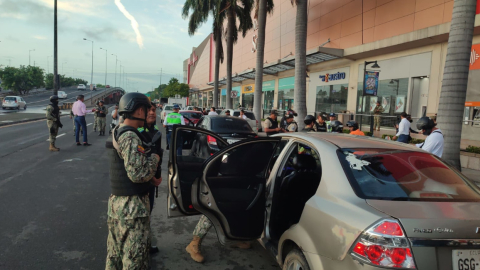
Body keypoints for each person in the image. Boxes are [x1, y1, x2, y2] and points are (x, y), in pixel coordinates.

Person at [106, 93, 162, 269]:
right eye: (147, 110)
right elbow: (138, 174)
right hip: (132, 209)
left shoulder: (119, 129)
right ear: (139, 110)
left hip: (120, 205)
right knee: (134, 261)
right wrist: (155, 159)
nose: (149, 113)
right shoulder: (130, 136)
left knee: (115, 256)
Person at [137, 102, 163, 254]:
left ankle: (145, 244)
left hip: (152, 179)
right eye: (149, 111)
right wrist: (152, 178)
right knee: (141, 215)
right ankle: (140, 247)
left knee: (148, 213)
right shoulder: (137, 132)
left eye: (153, 110)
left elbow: (157, 154)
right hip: (142, 180)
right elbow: (142, 160)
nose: (152, 113)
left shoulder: (155, 130)